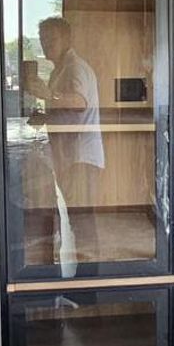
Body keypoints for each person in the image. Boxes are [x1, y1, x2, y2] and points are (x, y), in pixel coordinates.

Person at [23, 16, 104, 263]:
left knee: (82, 220)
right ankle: (84, 273)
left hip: (81, 157)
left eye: (52, 39)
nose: (46, 44)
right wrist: (45, 115)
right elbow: (66, 110)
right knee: (76, 219)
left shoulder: (75, 67)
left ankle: (90, 277)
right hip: (69, 157)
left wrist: (49, 95)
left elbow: (78, 102)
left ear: (67, 39)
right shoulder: (60, 69)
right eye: (43, 39)